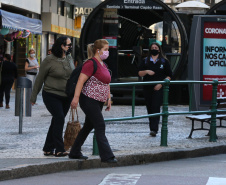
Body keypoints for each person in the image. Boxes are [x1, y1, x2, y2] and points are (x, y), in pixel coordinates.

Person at [69, 39, 117, 163]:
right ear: (98, 50)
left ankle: (74, 152)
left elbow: (107, 82)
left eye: (108, 50)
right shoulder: (91, 63)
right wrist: (76, 98)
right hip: (89, 99)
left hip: (98, 100)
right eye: (105, 50)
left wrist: (108, 98)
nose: (107, 52)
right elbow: (80, 81)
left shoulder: (103, 64)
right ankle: (107, 156)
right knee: (100, 125)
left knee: (88, 126)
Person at [30, 36, 75, 157]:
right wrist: (33, 97)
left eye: (71, 45)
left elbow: (73, 75)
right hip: (51, 94)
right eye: (68, 45)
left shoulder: (69, 57)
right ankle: (59, 149)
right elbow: (39, 79)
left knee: (56, 120)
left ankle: (47, 148)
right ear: (61, 45)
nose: (70, 47)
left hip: (66, 95)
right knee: (59, 118)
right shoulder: (49, 60)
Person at [138, 42, 172, 137]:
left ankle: (154, 129)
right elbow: (139, 73)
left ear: (159, 49)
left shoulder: (164, 61)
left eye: (155, 47)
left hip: (158, 88)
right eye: (152, 47)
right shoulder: (145, 60)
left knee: (156, 107)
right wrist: (146, 71)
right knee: (149, 108)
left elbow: (169, 75)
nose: (154, 49)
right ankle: (151, 128)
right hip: (147, 88)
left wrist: (161, 84)